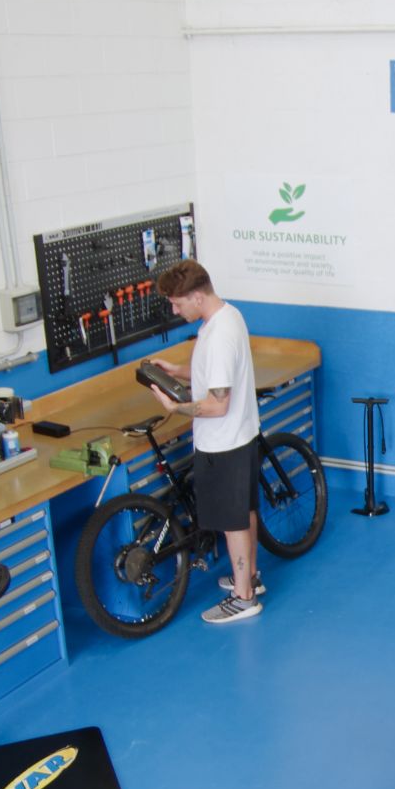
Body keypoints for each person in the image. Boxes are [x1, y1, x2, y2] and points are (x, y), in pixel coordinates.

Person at [147, 259, 263, 623]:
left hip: (223, 445)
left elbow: (217, 404)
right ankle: (250, 577)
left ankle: (243, 598)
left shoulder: (219, 337)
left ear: (197, 297)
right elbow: (215, 373)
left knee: (233, 524)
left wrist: (175, 407)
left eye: (177, 303)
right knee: (244, 512)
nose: (174, 310)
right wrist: (177, 371)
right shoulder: (227, 316)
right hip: (242, 435)